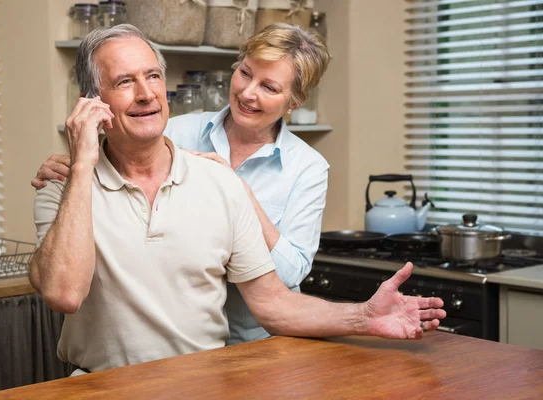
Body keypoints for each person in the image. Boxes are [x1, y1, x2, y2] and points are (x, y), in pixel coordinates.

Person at [30, 24, 445, 374]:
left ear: (293, 102)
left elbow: (274, 299)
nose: (145, 94)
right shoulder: (65, 184)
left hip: (212, 377)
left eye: (154, 76)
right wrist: (81, 164)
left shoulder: (227, 180)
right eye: (124, 81)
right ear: (92, 101)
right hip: (101, 385)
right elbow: (63, 294)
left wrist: (364, 316)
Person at [33, 23, 330, 345]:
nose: (247, 93)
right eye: (245, 73)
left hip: (256, 341)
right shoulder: (172, 130)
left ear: (294, 101)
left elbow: (288, 277)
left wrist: (240, 194)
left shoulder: (308, 167)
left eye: (269, 88)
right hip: (178, 343)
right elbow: (121, 144)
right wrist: (78, 164)